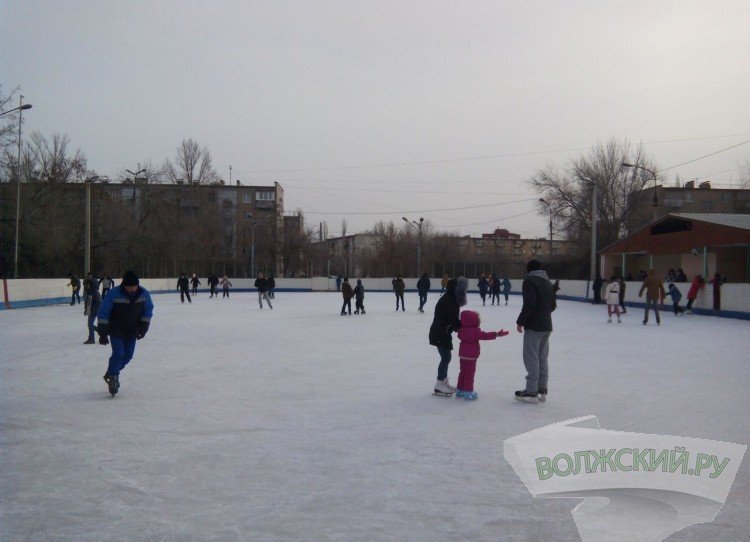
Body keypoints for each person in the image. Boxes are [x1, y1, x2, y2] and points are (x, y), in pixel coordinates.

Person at [97, 270, 154, 396]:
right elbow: (104, 312)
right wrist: (102, 331)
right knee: (118, 353)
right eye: (129, 287)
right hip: (116, 329)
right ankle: (113, 377)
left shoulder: (143, 294)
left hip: (132, 330)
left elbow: (147, 310)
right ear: (124, 285)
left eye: (134, 286)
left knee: (128, 355)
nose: (132, 289)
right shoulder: (114, 293)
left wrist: (144, 327)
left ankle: (112, 372)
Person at [515, 260, 556, 403]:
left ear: (529, 270)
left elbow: (529, 304)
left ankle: (531, 390)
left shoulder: (529, 281)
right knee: (542, 357)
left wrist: (521, 322)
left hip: (534, 326)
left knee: (531, 357)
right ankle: (542, 388)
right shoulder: (548, 282)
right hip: (547, 325)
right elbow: (552, 306)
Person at [455, 309, 508, 400]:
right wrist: (497, 334)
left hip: (462, 355)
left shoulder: (461, 330)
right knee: (469, 374)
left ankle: (460, 390)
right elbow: (486, 336)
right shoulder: (475, 331)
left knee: (462, 372)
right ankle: (468, 392)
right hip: (471, 357)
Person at [429, 276, 467, 396]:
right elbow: (453, 319)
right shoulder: (449, 300)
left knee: (447, 357)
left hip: (444, 332)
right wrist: (463, 329)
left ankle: (444, 381)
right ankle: (439, 383)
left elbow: (454, 320)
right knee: (445, 357)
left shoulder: (452, 298)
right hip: (440, 332)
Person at [83, 273, 102, 344]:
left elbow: (88, 302)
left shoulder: (91, 292)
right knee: (90, 323)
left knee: (90, 323)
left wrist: (87, 310)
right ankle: (99, 331)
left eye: (86, 285)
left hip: (94, 309)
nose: (85, 286)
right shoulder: (95, 292)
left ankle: (92, 338)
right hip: (96, 308)